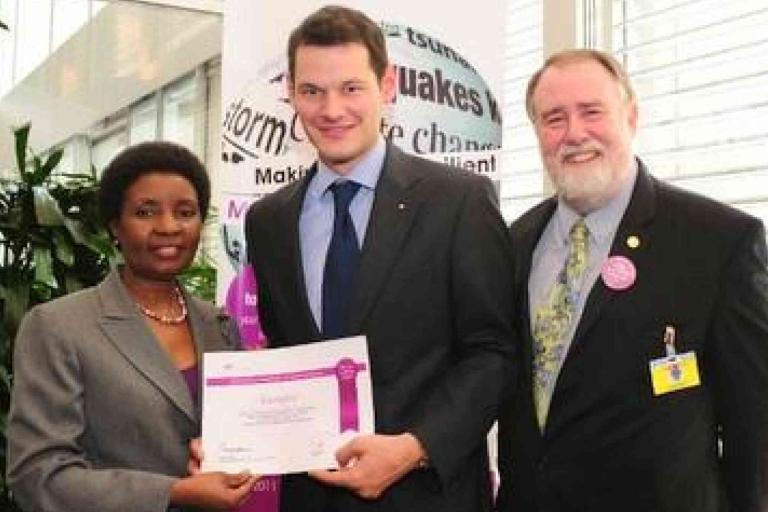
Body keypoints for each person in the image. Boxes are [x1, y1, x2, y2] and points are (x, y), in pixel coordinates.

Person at [243, 5, 515, 512]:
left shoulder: (459, 201)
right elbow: (287, 352)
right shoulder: (268, 220)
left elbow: (494, 352)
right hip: (311, 498)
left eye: (351, 88)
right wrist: (240, 426)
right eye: (312, 91)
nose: (331, 110)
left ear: (387, 86)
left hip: (427, 495)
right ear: (290, 93)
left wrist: (415, 448)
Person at [495, 49, 768, 512]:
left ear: (631, 116)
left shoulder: (718, 241)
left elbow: (755, 421)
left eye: (592, 112)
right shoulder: (513, 243)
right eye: (554, 119)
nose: (574, 133)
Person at [7, 141, 258, 512]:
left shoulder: (220, 325)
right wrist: (173, 492)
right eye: (145, 212)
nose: (169, 227)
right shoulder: (58, 327)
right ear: (115, 226)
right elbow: (38, 474)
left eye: (185, 212)